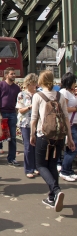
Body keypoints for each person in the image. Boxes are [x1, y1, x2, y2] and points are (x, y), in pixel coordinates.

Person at [30, 70, 75, 212]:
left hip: (44, 136)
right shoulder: (60, 95)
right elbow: (66, 118)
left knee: (41, 165)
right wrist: (70, 138)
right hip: (59, 136)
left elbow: (34, 118)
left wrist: (32, 135)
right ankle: (51, 197)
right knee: (53, 164)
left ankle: (56, 190)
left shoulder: (38, 96)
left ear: (41, 81)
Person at [0, 67, 21, 166]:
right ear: (6, 75)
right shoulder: (0, 85)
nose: (14, 75)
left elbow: (19, 101)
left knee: (13, 137)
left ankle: (11, 158)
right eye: (12, 74)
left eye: (14, 74)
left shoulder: (17, 88)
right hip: (2, 113)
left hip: (12, 113)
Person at [16, 73, 38, 178]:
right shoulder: (22, 95)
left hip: (37, 123)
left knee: (36, 145)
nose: (35, 86)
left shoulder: (38, 94)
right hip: (25, 122)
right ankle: (28, 169)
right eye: (33, 84)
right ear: (28, 84)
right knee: (28, 146)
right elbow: (20, 110)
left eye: (36, 84)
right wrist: (30, 107)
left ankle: (35, 166)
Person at [59, 72, 77, 181]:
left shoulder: (70, 92)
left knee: (71, 148)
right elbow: (63, 109)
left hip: (74, 123)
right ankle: (65, 171)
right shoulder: (64, 92)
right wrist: (75, 109)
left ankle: (69, 170)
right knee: (72, 148)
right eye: (74, 81)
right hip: (69, 124)